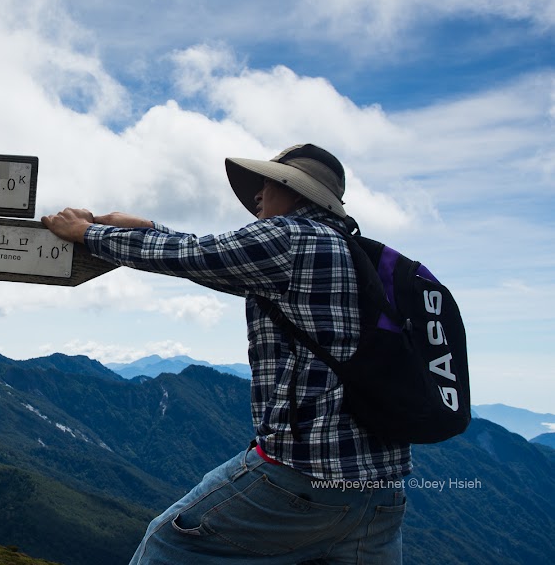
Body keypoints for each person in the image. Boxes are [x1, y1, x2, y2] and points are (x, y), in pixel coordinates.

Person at [41, 144, 410, 565]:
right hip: (382, 494)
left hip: (302, 479)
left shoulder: (288, 237)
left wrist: (87, 234)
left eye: (268, 184)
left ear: (297, 191)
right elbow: (213, 256)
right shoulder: (357, 254)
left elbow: (189, 256)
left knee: (166, 544)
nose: (257, 196)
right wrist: (148, 226)